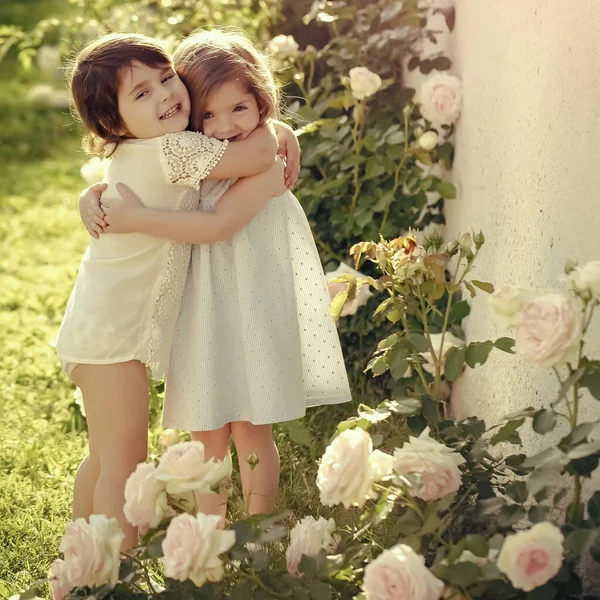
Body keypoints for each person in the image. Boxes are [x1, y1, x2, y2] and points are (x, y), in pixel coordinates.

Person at [81, 29, 352, 522]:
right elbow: (129, 173)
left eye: (240, 110)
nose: (224, 126)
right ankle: (208, 535)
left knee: (250, 429)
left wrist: (276, 131)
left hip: (248, 307)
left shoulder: (244, 164)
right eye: (209, 114)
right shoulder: (184, 152)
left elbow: (219, 220)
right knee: (204, 431)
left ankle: (258, 527)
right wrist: (92, 196)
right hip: (199, 314)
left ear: (261, 104)